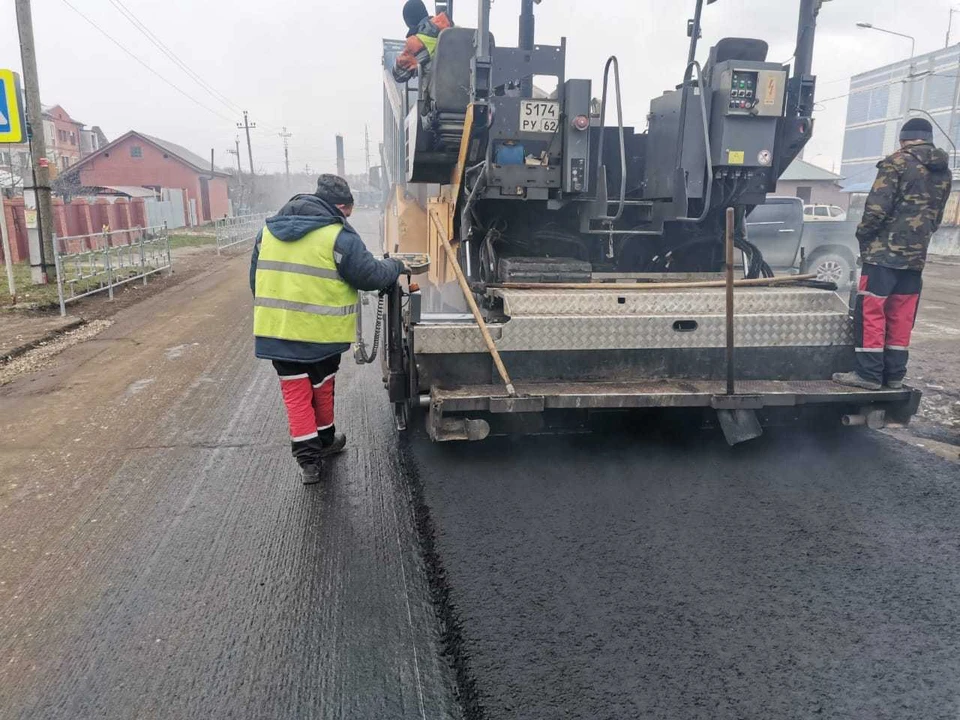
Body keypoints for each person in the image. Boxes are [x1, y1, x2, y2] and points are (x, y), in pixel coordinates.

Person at [250, 175, 406, 484]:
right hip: (321, 333)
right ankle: (321, 444)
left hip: (278, 332)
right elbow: (370, 275)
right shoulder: (337, 236)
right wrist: (396, 266)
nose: (346, 217)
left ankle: (312, 459)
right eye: (347, 211)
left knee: (296, 392)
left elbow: (256, 280)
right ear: (342, 206)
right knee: (321, 386)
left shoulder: (266, 232)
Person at [834, 118, 952, 391]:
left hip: (883, 255)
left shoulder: (896, 163)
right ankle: (895, 375)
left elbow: (876, 211)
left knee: (872, 312)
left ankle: (869, 375)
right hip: (915, 258)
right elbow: (936, 218)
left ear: (903, 140)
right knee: (901, 315)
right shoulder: (943, 171)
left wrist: (864, 238)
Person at [392, 0, 452, 84]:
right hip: (462, 85)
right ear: (425, 13)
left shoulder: (415, 43)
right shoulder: (451, 28)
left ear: (409, 22)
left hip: (439, 91)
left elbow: (398, 75)